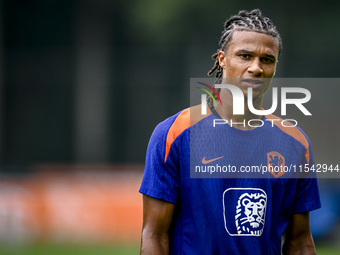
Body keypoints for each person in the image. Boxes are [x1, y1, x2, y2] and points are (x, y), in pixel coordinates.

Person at [139, 9, 321, 255]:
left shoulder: (296, 143)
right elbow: (154, 235)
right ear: (222, 59)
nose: (256, 68)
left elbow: (300, 242)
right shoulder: (174, 134)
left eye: (267, 59)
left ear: (275, 66)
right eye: (245, 56)